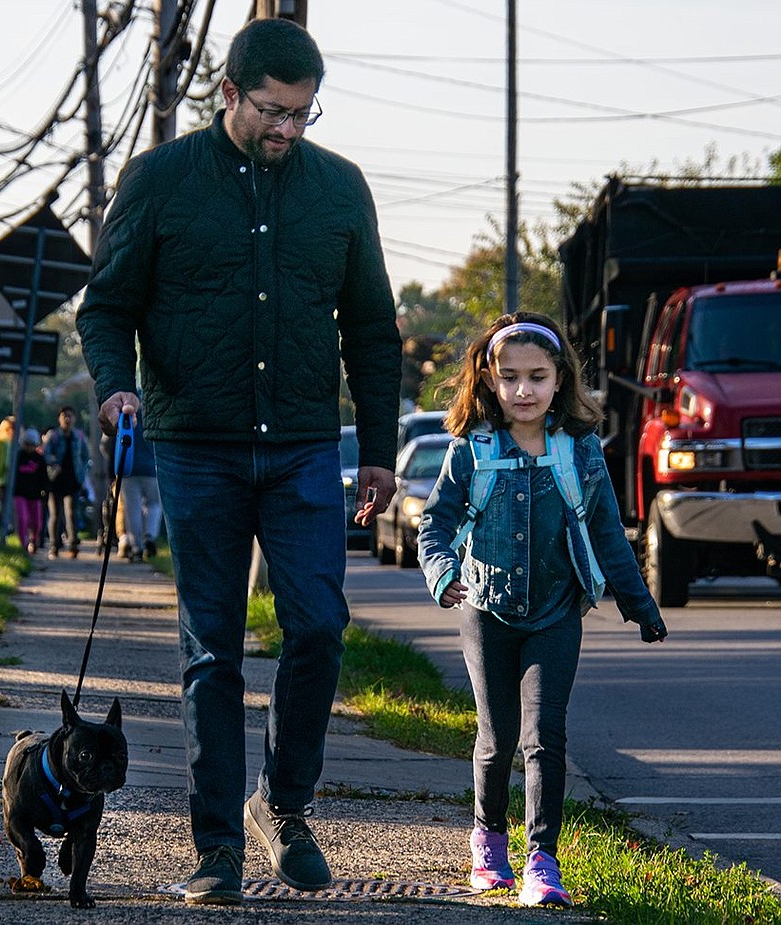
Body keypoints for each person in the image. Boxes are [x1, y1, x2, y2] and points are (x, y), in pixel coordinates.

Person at [76, 18, 401, 905]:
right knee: (211, 648)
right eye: (272, 110)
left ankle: (282, 806)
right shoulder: (161, 180)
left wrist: (378, 451)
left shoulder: (340, 191)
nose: (288, 130)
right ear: (228, 93)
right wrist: (116, 387)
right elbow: (105, 307)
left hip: (301, 445)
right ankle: (216, 844)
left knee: (318, 626)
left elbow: (372, 329)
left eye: (303, 113)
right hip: (195, 445)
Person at [416, 311, 669, 908]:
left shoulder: (579, 452)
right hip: (484, 610)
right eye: (510, 378)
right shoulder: (471, 450)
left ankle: (542, 861)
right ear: (489, 381)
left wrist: (639, 604)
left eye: (537, 376)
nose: (523, 390)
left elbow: (608, 532)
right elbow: (435, 524)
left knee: (545, 736)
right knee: (497, 736)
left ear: (561, 380)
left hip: (558, 612)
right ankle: (487, 841)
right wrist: (442, 575)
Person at [43, 406, 90, 559]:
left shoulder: (79, 436)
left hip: (73, 480)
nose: (67, 419)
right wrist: (54, 462)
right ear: (60, 419)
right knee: (55, 514)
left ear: (74, 418)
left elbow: (85, 457)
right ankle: (54, 545)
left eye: (70, 416)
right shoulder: (54, 436)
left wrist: (82, 475)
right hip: (56, 480)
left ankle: (73, 544)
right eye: (64, 416)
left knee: (72, 513)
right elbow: (45, 454)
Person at [119, 415, 161, 562]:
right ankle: (149, 534)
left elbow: (107, 444)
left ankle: (136, 546)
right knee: (154, 504)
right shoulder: (154, 418)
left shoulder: (126, 420)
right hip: (151, 470)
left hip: (129, 469)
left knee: (132, 508)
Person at [12, 427, 47, 554]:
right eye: (27, 444)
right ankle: (23, 544)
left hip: (35, 494)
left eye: (32, 445)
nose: (30, 447)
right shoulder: (18, 457)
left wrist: (45, 491)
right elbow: (12, 475)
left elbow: (44, 477)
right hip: (19, 493)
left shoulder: (39, 459)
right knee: (23, 518)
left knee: (37, 522)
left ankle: (33, 539)